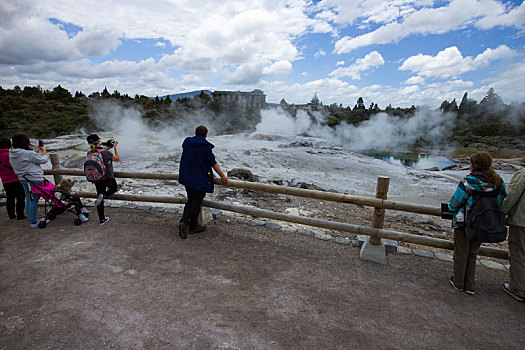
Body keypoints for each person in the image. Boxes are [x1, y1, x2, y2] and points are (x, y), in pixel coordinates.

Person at [447, 152, 506, 295]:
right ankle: (470, 285)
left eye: (470, 163)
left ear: (475, 165)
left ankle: (459, 283)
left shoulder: (470, 181)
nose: (469, 166)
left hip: (465, 222)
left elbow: (455, 202)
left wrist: (450, 209)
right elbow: (499, 201)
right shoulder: (498, 182)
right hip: (484, 223)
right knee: (472, 253)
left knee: (461, 252)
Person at [178, 125, 228, 239]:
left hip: (187, 177)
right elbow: (213, 163)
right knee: (196, 202)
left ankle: (184, 222)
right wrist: (222, 176)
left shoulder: (186, 142)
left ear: (195, 133)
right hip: (200, 179)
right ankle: (193, 226)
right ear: (206, 135)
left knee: (190, 200)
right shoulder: (206, 147)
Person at [9, 134, 49, 228]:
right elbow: (43, 160)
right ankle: (34, 222)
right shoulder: (27, 153)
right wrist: (44, 151)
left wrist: (35, 152)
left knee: (28, 198)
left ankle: (32, 219)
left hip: (22, 178)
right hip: (33, 179)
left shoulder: (12, 153)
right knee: (34, 199)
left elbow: (25, 160)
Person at [502, 168, 525, 302]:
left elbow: (512, 195)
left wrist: (501, 213)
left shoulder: (523, 174)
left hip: (521, 221)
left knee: (518, 254)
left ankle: (518, 288)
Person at [86, 134, 119, 225]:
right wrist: (115, 148)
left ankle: (102, 219)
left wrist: (108, 148)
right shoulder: (105, 153)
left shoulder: (89, 152)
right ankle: (103, 196)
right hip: (107, 177)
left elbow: (100, 153)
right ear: (99, 142)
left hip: (97, 178)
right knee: (114, 188)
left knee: (99, 195)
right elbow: (117, 158)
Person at [0, 137, 26, 221]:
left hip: (5, 180)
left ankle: (11, 216)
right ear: (9, 144)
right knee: (20, 196)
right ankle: (20, 215)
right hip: (16, 178)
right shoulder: (10, 154)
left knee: (10, 197)